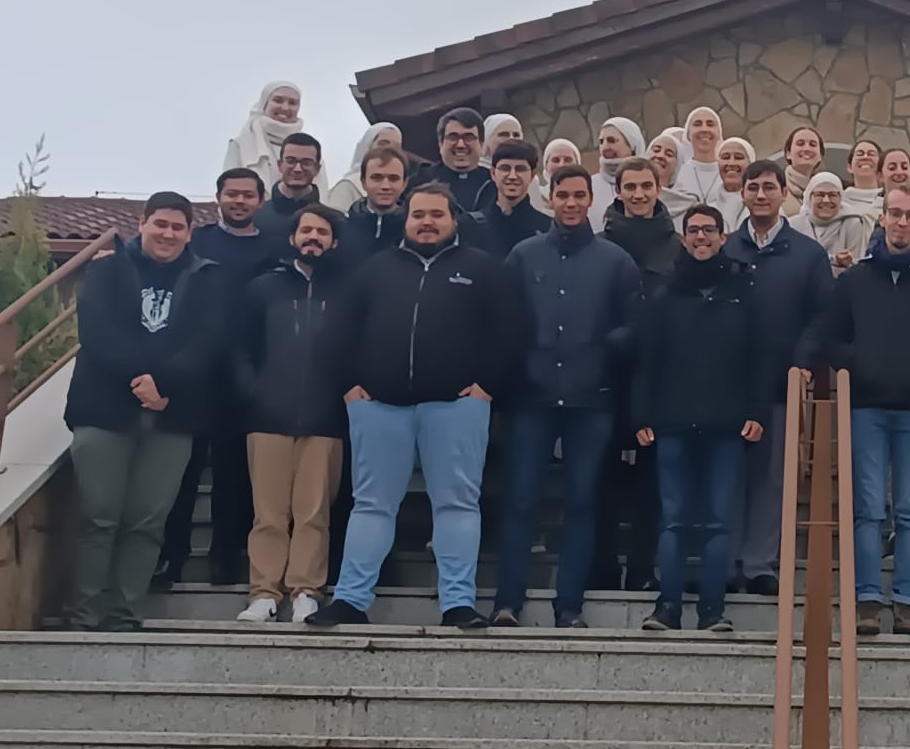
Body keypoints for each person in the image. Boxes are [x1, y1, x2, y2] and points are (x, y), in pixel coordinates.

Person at [308, 184, 514, 630]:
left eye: (436, 214)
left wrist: (487, 387)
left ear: (453, 219)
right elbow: (335, 334)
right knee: (371, 506)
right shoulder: (374, 271)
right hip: (379, 408)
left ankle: (457, 604)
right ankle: (350, 600)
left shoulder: (483, 270)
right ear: (406, 219)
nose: (427, 222)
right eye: (419, 214)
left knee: (458, 506)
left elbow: (510, 334)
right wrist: (349, 388)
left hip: (457, 408)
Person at [63, 192, 226, 631]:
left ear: (190, 231)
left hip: (174, 415)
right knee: (98, 516)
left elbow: (208, 342)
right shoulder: (108, 270)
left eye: (178, 227)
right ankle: (83, 611)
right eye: (161, 224)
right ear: (143, 224)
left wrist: (165, 384)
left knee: (147, 522)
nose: (168, 234)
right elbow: (97, 332)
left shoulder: (208, 278)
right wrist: (142, 380)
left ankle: (124, 612)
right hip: (104, 409)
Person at [491, 165, 643, 628]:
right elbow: (504, 321)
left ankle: (569, 606)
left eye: (580, 195)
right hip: (530, 398)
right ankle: (507, 603)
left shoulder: (616, 260)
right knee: (520, 502)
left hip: (590, 399)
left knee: (582, 503)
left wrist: (601, 350)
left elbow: (634, 326)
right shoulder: (523, 255)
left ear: (590, 200)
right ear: (551, 198)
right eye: (564, 195)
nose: (572, 203)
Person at [817, 185, 910, 637]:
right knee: (868, 509)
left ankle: (907, 602)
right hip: (866, 408)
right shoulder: (855, 280)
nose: (901, 222)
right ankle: (868, 599)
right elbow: (831, 338)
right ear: (882, 219)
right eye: (894, 213)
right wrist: (862, 366)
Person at [634, 205, 765, 631]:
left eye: (709, 230)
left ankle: (712, 610)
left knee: (717, 522)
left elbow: (760, 359)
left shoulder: (745, 291)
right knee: (673, 520)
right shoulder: (665, 293)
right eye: (693, 230)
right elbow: (646, 361)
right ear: (684, 238)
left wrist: (757, 411)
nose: (701, 237)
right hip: (672, 423)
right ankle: (667, 608)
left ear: (723, 236)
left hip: (727, 426)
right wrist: (642, 415)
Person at [233, 205, 347, 624]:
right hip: (268, 417)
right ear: (292, 238)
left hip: (326, 419)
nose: (313, 237)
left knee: (314, 513)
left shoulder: (345, 292)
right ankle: (264, 592)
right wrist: (254, 392)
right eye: (306, 230)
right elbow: (240, 349)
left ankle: (306, 590)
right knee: (268, 513)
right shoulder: (262, 288)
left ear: (333, 242)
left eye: (322, 232)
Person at [723, 158, 833, 595]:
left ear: (784, 193)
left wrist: (802, 359)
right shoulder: (726, 249)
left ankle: (760, 563)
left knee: (773, 474)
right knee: (730, 472)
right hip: (727, 384)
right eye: (754, 187)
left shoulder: (808, 253)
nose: (761, 194)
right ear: (743, 193)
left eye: (770, 186)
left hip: (782, 381)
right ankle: (726, 557)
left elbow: (823, 314)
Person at [160, 169, 274, 588]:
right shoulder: (198, 242)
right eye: (232, 194)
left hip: (243, 374)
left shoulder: (272, 248)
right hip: (192, 373)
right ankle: (172, 555)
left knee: (233, 475)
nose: (239, 201)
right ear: (218, 198)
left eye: (248, 195)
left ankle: (224, 556)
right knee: (183, 471)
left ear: (261, 200)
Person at [594, 157, 677, 591]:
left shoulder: (678, 249)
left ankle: (643, 569)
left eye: (647, 186)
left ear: (658, 189)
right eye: (631, 187)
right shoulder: (598, 245)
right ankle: (603, 566)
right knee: (600, 477)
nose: (639, 194)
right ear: (619, 191)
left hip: (662, 382)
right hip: (606, 378)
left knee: (652, 483)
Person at [224, 82, 315, 191]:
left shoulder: (310, 150)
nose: (285, 108)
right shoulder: (240, 145)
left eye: (292, 103)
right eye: (278, 100)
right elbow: (229, 189)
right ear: (265, 103)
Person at [472, 140, 551, 256]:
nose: (512, 176)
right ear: (493, 173)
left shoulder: (548, 228)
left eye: (520, 169)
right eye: (505, 168)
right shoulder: (471, 226)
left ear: (532, 175)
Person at [414, 108, 497, 212]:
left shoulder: (495, 182)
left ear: (481, 144)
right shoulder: (420, 181)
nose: (460, 145)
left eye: (469, 137)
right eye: (453, 137)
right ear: (440, 143)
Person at [789, 170, 870, 276]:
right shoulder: (794, 225)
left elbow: (856, 264)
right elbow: (793, 262)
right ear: (810, 197)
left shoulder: (852, 223)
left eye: (833, 195)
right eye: (820, 194)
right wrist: (834, 260)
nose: (826, 200)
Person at [341, 146, 410, 261]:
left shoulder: (412, 231)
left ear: (404, 184)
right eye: (376, 178)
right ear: (363, 182)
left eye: (393, 179)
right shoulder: (342, 227)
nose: (385, 186)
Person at [253, 134, 326, 235]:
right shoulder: (254, 218)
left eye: (306, 162)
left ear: (317, 169)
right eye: (291, 161)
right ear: (279, 165)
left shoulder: (331, 222)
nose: (297, 169)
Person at [326, 123, 402, 212]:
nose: (389, 150)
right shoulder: (348, 186)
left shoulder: (401, 189)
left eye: (396, 146)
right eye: (383, 144)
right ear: (368, 145)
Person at [589, 117, 646, 230]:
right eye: (601, 142)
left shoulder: (649, 183)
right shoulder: (589, 185)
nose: (605, 146)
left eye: (611, 140)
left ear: (632, 145)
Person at [674, 106, 728, 205]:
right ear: (688, 133)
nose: (704, 129)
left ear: (719, 132)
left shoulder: (728, 171)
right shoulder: (677, 172)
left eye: (710, 124)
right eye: (697, 124)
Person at [648, 130, 699, 224]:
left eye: (669, 154)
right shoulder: (629, 196)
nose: (660, 156)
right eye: (656, 150)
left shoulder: (689, 206)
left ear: (677, 165)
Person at [780, 125, 825, 217]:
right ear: (788, 153)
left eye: (813, 144)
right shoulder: (777, 186)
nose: (807, 148)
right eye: (800, 143)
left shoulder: (826, 189)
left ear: (820, 156)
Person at [530, 138, 582, 216]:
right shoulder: (534, 196)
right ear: (546, 166)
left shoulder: (586, 197)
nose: (561, 165)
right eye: (555, 160)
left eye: (568, 160)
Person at [715, 136, 755, 230]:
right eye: (725, 157)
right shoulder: (709, 205)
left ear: (750, 163)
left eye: (738, 157)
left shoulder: (765, 202)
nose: (731, 163)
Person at [842, 139, 884, 217]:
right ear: (849, 167)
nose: (865, 157)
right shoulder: (839, 201)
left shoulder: (889, 201)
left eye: (871, 154)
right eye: (859, 154)